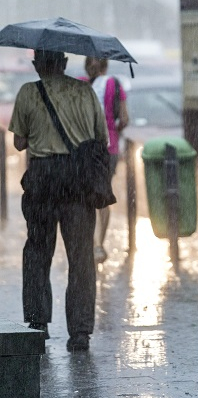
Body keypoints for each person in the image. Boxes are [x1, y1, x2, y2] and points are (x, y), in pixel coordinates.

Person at [10, 49, 109, 352]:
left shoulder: (28, 92)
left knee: (38, 252)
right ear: (65, 64)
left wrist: (39, 133)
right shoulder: (85, 92)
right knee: (81, 257)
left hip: (42, 180)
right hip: (78, 182)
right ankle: (79, 332)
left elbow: (18, 141)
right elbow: (101, 138)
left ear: (37, 64)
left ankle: (38, 323)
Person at [81, 57, 129, 263]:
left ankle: (90, 243)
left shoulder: (79, 85)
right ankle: (99, 244)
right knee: (103, 195)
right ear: (106, 66)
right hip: (108, 148)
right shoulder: (114, 84)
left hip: (84, 148)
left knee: (85, 196)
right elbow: (125, 119)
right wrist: (113, 132)